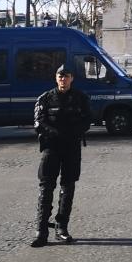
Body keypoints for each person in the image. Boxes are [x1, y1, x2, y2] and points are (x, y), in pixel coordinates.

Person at [30, 65, 92, 247]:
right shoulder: (46, 98)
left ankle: (61, 227)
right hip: (51, 147)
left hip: (71, 147)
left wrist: (73, 133)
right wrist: (55, 133)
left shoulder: (80, 98)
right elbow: (38, 121)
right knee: (46, 187)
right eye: (60, 76)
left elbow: (88, 119)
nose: (63, 79)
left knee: (68, 186)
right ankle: (41, 230)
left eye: (66, 76)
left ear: (72, 78)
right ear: (55, 78)